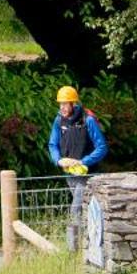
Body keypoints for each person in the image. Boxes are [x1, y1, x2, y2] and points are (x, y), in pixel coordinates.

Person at [47, 85, 106, 249]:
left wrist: (83, 162)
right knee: (85, 210)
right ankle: (92, 246)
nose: (62, 107)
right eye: (60, 104)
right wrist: (58, 160)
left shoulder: (88, 120)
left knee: (76, 209)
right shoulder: (59, 120)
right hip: (70, 175)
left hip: (87, 175)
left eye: (66, 104)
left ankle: (74, 249)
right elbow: (52, 144)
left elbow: (102, 148)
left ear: (73, 103)